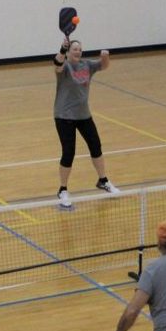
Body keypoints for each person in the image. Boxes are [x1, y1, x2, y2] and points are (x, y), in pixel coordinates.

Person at [52, 37, 120, 208]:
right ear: (68, 52)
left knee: (96, 146)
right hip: (64, 116)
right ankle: (63, 189)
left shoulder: (87, 65)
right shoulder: (65, 66)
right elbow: (57, 64)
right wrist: (61, 49)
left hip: (84, 115)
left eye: (79, 49)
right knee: (69, 152)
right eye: (74, 49)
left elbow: (103, 66)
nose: (78, 51)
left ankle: (103, 180)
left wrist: (105, 56)